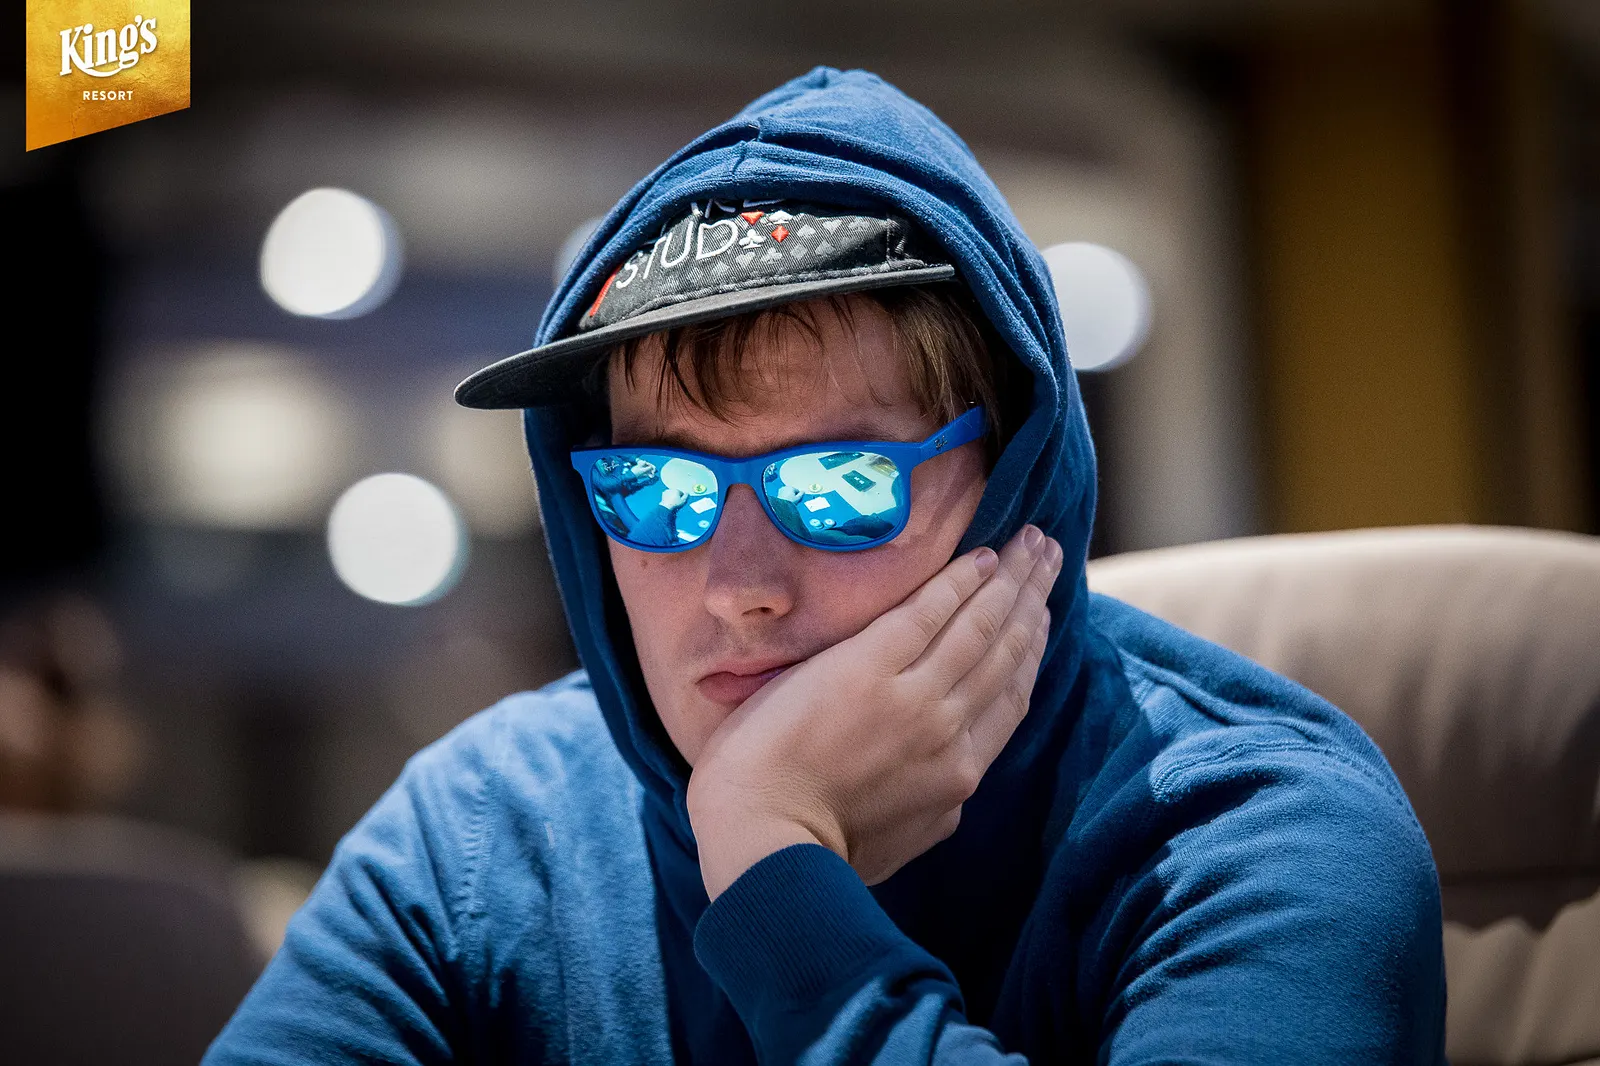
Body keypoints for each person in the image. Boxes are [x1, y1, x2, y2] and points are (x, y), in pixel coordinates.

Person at [206, 68, 1447, 1063]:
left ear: (1013, 487)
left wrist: (772, 860)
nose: (738, 583)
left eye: (841, 487)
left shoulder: (1261, 838)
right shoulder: (479, 833)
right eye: (658, 492)